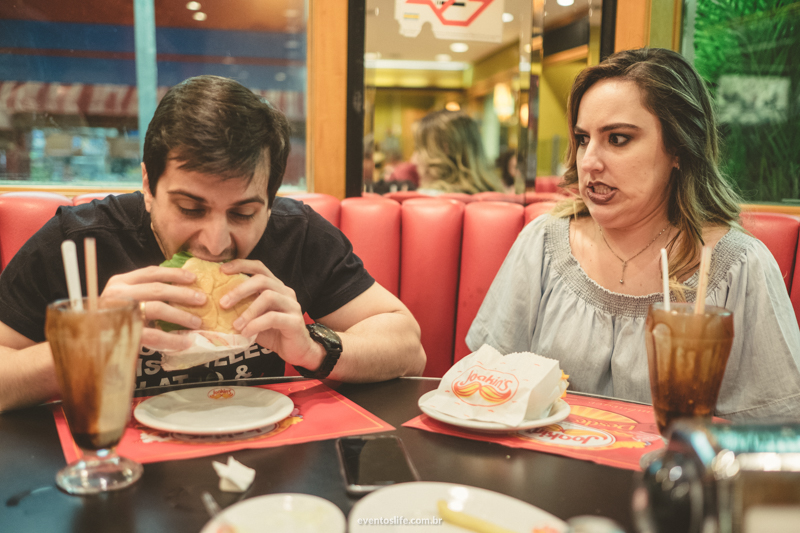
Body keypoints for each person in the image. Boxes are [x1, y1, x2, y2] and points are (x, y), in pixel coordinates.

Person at [0, 75, 426, 412]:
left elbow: (408, 346)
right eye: (190, 207)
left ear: (269, 201)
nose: (215, 242)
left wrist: (313, 345)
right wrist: (93, 344)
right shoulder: (80, 240)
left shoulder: (296, 234)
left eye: (243, 213)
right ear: (149, 185)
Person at [467, 48, 800, 421]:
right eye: (582, 139)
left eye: (618, 139)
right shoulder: (543, 242)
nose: (589, 161)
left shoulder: (739, 267)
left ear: (678, 147)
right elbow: (487, 388)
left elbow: (780, 429)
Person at [413, 110, 502, 195]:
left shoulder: (426, 200)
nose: (414, 159)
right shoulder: (498, 195)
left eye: (419, 150)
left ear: (445, 149)